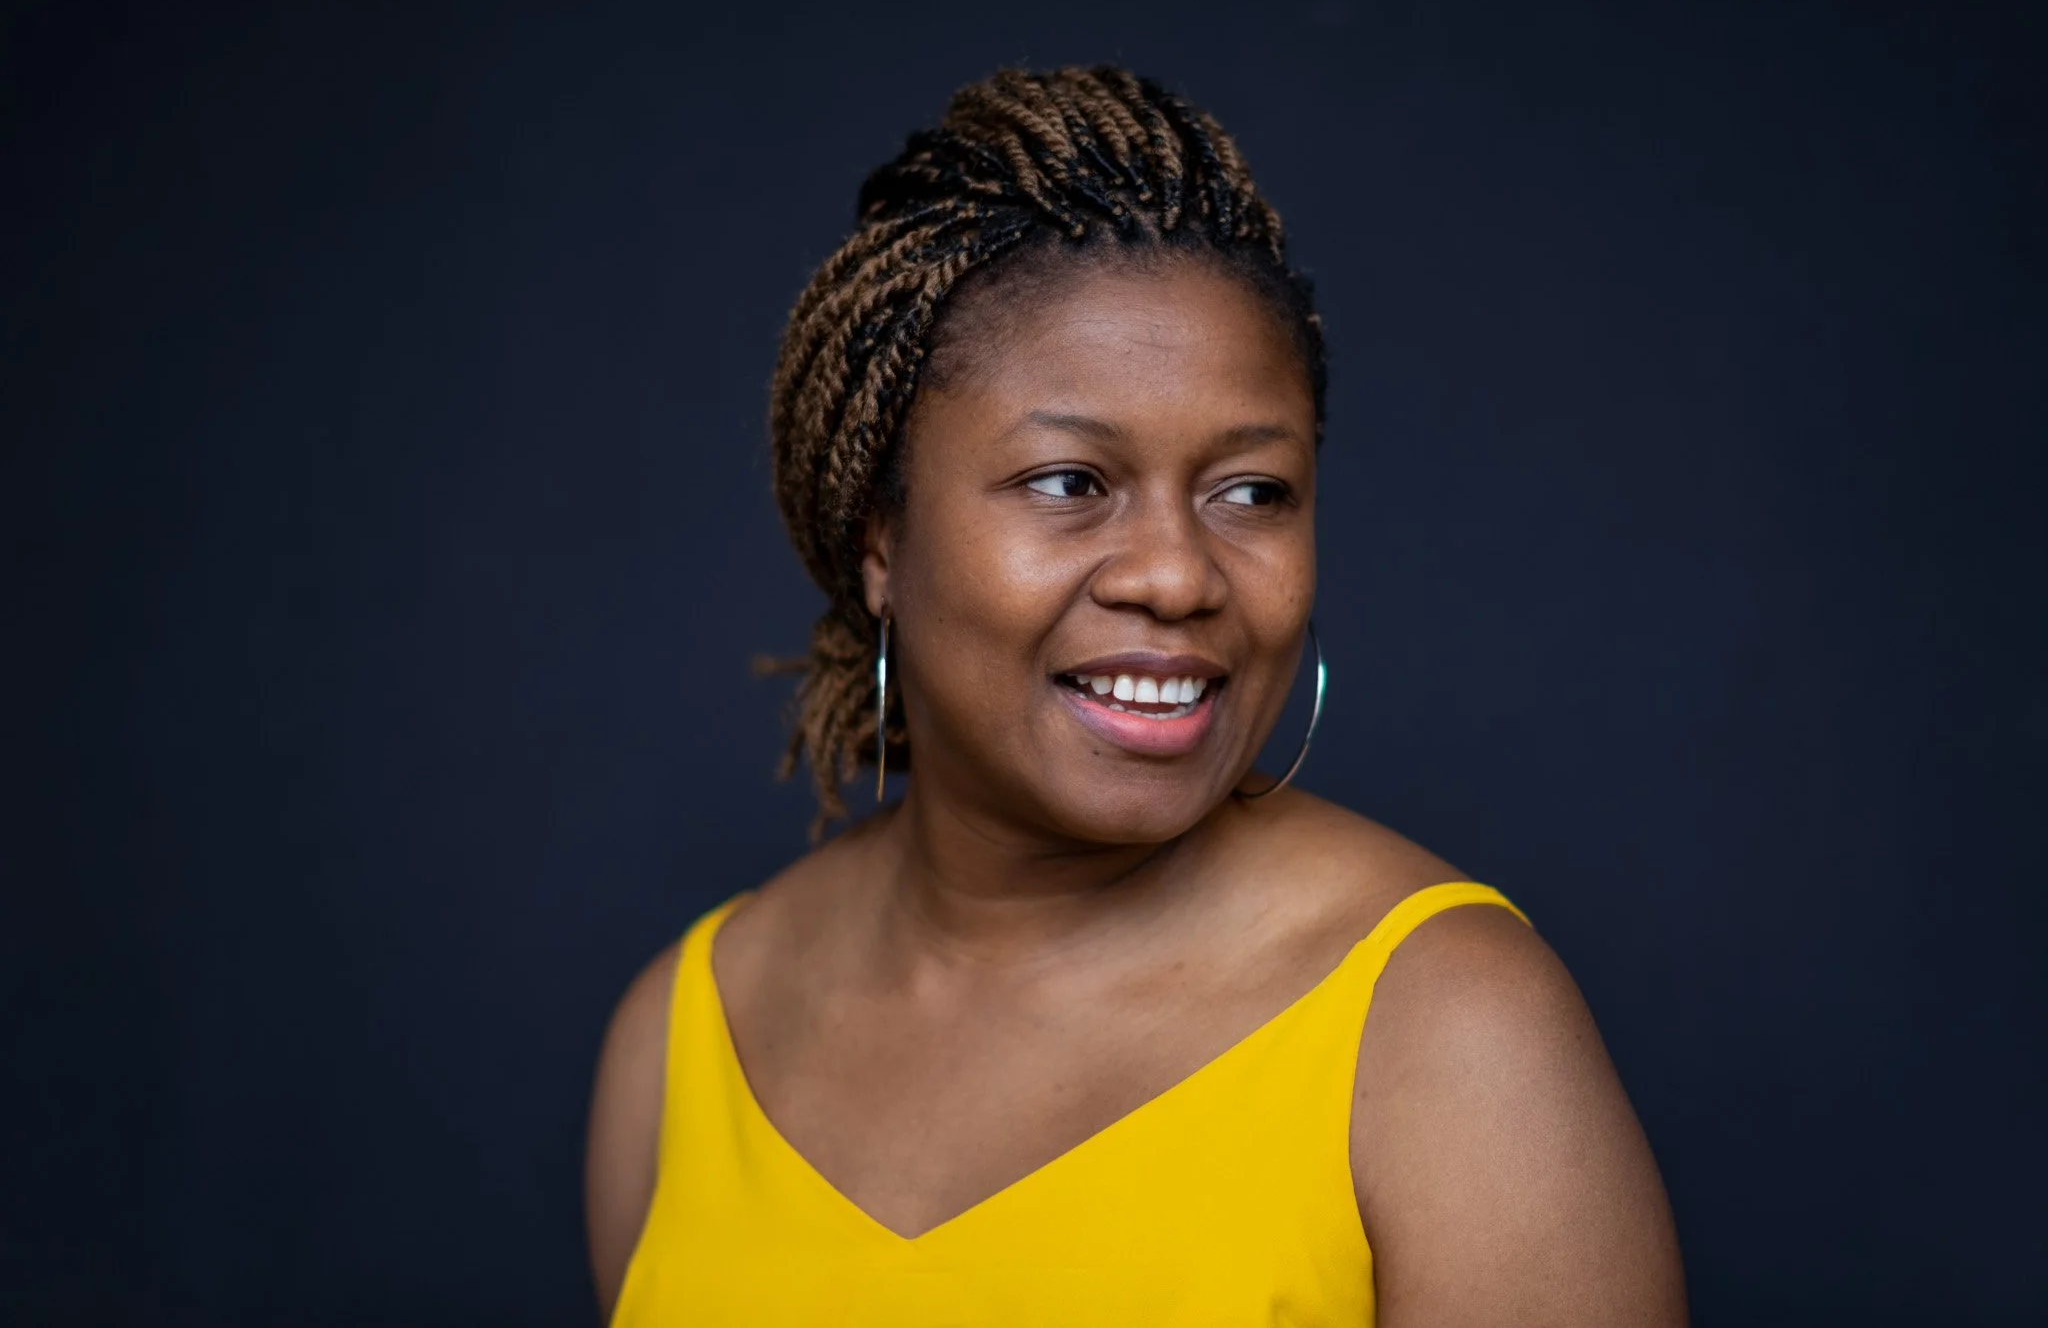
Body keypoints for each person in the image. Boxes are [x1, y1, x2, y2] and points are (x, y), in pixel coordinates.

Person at [584, 65, 1685, 1326]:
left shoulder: (1446, 1028)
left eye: (1250, 493)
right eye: (1069, 482)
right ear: (879, 539)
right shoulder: (682, 1036)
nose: (1175, 575)